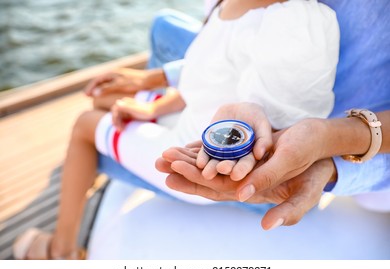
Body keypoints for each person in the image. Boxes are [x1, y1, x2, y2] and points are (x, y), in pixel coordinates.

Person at [13, 0, 340, 259]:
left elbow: (276, 125)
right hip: (193, 118)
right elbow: (209, 77)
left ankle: (62, 250)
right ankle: (103, 160)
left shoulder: (292, 24)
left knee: (85, 124)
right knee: (107, 103)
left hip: (201, 156)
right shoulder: (230, 6)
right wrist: (153, 108)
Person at [156, 0, 390, 229]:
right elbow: (225, 48)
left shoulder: (299, 25)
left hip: (296, 154)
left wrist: (328, 157)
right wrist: (166, 83)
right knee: (162, 27)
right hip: (263, 102)